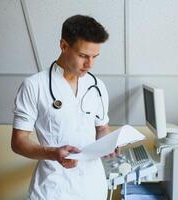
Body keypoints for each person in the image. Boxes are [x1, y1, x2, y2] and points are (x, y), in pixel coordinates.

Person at [11, 15, 117, 200]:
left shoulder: (97, 86)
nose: (89, 64)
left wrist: (109, 144)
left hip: (93, 188)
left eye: (94, 57)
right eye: (83, 56)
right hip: (53, 190)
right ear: (64, 45)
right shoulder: (34, 86)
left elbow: (102, 128)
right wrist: (52, 153)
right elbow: (18, 142)